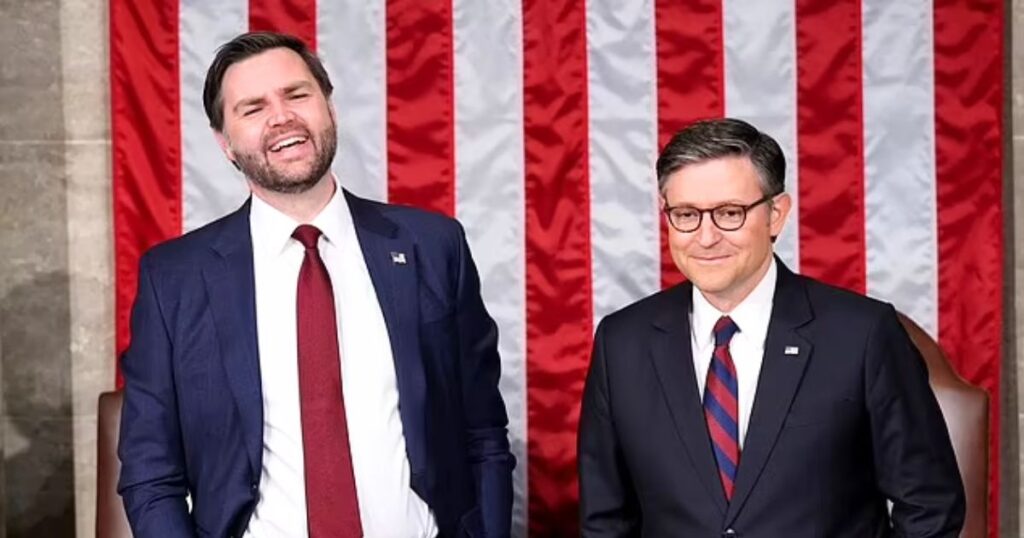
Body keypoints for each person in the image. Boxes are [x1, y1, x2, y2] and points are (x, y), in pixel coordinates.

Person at [117, 31, 514, 538]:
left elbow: (482, 433)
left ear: (329, 107)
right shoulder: (174, 279)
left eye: (297, 94)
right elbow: (150, 471)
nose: (281, 116)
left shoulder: (432, 247)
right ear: (225, 143)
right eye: (253, 107)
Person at [577, 118, 964, 537]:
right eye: (686, 214)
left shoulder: (862, 335)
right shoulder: (622, 343)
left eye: (729, 213)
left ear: (776, 215)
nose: (706, 237)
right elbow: (605, 521)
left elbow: (930, 507)